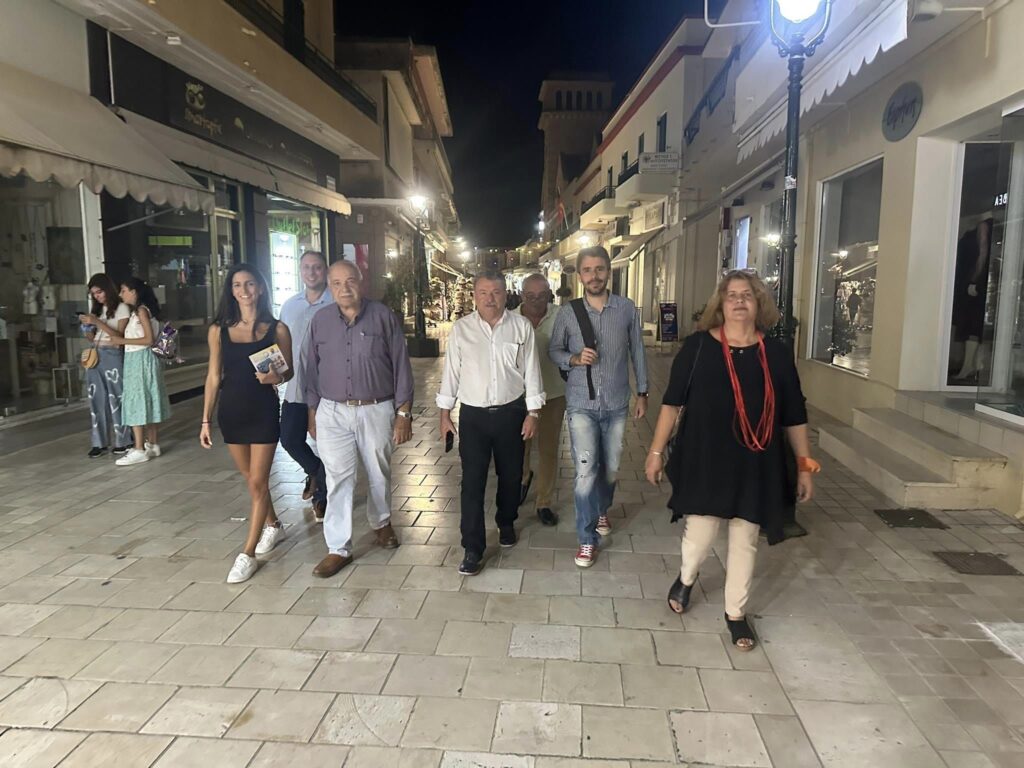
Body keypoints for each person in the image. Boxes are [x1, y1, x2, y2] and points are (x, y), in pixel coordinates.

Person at [644, 270, 817, 651]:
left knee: (745, 537)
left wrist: (805, 465)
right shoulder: (698, 347)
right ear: (720, 305)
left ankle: (735, 613)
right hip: (707, 456)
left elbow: (794, 413)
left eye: (747, 295)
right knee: (701, 534)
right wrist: (655, 452)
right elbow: (672, 403)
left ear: (759, 304)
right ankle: (687, 577)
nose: (739, 301)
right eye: (732, 295)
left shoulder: (775, 353)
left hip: (757, 461)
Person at [304, 260, 414, 579]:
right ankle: (338, 547)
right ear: (330, 287)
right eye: (337, 283)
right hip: (332, 411)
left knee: (379, 470)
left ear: (361, 282)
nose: (344, 288)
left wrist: (404, 413)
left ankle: (381, 523)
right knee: (338, 477)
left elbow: (401, 365)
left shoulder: (383, 317)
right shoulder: (320, 321)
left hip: (376, 408)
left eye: (350, 281)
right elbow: (311, 368)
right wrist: (313, 411)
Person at [438, 270, 544, 575]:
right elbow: (451, 373)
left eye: (496, 292)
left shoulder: (521, 327)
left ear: (505, 294)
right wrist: (444, 413)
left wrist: (533, 413)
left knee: (511, 475)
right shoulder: (462, 329)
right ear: (474, 296)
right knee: (472, 482)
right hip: (473, 416)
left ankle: (506, 520)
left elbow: (532, 370)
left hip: (512, 412)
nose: (490, 298)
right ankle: (472, 547)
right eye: (483, 292)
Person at [549, 246, 648, 569]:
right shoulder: (568, 313)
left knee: (611, 468)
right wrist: (574, 358)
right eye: (588, 270)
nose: (594, 276)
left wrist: (643, 392)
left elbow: (637, 351)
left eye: (600, 269)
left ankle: (602, 508)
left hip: (617, 402)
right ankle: (586, 539)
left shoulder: (626, 309)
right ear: (580, 275)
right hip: (581, 403)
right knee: (585, 472)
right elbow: (554, 350)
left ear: (609, 271)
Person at [200, 264, 294, 584]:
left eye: (250, 284)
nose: (244, 290)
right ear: (231, 291)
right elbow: (213, 376)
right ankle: (274, 525)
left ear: (261, 288)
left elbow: (289, 371)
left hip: (263, 411)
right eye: (237, 285)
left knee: (258, 482)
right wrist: (205, 419)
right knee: (251, 480)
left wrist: (275, 377)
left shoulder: (277, 329)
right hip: (232, 412)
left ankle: (248, 554)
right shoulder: (218, 330)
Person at [279, 250, 330, 522]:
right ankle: (315, 471)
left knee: (327, 444)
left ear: (325, 270)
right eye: (307, 267)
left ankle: (322, 499)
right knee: (289, 438)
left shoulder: (334, 302)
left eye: (317, 267)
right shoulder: (289, 306)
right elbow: (279, 344)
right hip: (295, 386)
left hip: (327, 389)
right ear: (300, 271)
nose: (311, 272)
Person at [104, 277, 171, 467]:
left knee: (136, 400)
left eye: (124, 290)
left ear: (134, 292)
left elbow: (148, 339)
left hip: (139, 359)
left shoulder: (141, 311)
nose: (121, 294)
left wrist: (121, 341)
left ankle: (139, 448)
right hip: (145, 359)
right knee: (149, 398)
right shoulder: (146, 311)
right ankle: (152, 443)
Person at [515, 273, 564, 526]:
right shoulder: (510, 318)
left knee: (548, 449)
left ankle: (543, 502)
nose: (536, 301)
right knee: (519, 446)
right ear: (521, 295)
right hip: (519, 396)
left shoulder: (562, 316)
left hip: (553, 393)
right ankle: (524, 478)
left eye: (542, 295)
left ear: (549, 295)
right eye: (530, 296)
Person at [79, 274, 131, 458]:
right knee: (96, 398)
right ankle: (99, 442)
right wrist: (87, 328)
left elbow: (120, 336)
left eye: (99, 292)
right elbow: (93, 338)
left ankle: (124, 439)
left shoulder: (122, 308)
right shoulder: (98, 310)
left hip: (113, 354)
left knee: (117, 397)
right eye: (94, 294)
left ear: (108, 289)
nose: (97, 296)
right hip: (96, 354)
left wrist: (97, 322)